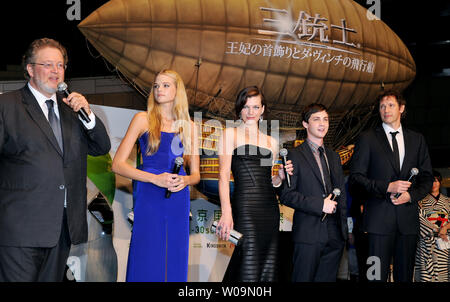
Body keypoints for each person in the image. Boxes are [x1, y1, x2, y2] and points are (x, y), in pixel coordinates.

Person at [0, 38, 111, 282]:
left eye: (60, 65)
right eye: (48, 65)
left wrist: (88, 114)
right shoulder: (6, 106)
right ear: (30, 69)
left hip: (61, 228)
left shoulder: (72, 110)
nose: (56, 71)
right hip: (19, 229)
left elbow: (101, 146)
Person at [112, 69, 200, 282]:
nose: (159, 89)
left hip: (178, 197)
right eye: (156, 85)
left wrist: (185, 180)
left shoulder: (190, 126)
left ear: (177, 90)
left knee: (175, 255)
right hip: (149, 193)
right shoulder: (142, 119)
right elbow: (117, 165)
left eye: (166, 85)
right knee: (147, 253)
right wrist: (155, 178)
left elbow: (196, 174)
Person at [349, 89, 433, 282]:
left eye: (391, 105)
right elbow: (356, 179)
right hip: (377, 223)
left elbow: (427, 177)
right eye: (382, 106)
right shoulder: (367, 138)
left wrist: (411, 196)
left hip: (407, 223)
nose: (386, 109)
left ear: (402, 108)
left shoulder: (417, 139)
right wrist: (387, 187)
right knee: (374, 276)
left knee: (405, 276)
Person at [216, 86, 293, 282]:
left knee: (268, 265)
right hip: (246, 207)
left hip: (269, 208)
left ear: (262, 109)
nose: (250, 112)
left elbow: (269, 181)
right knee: (248, 264)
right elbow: (223, 176)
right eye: (246, 106)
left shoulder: (271, 142)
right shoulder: (229, 135)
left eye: (255, 107)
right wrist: (227, 212)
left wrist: (280, 178)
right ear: (239, 109)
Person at [277, 103, 348, 282]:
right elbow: (287, 195)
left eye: (325, 119)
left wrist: (344, 232)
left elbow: (342, 195)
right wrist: (320, 204)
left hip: (335, 235)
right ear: (305, 124)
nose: (322, 123)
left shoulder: (334, 156)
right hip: (308, 233)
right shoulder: (294, 155)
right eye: (316, 119)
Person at [415, 170, 450, 282]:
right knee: (426, 275)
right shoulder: (420, 201)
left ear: (440, 182)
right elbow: (418, 220)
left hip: (444, 240)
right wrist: (435, 229)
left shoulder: (448, 201)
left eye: (435, 181)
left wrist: (445, 228)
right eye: (430, 181)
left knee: (444, 273)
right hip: (426, 241)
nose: (433, 184)